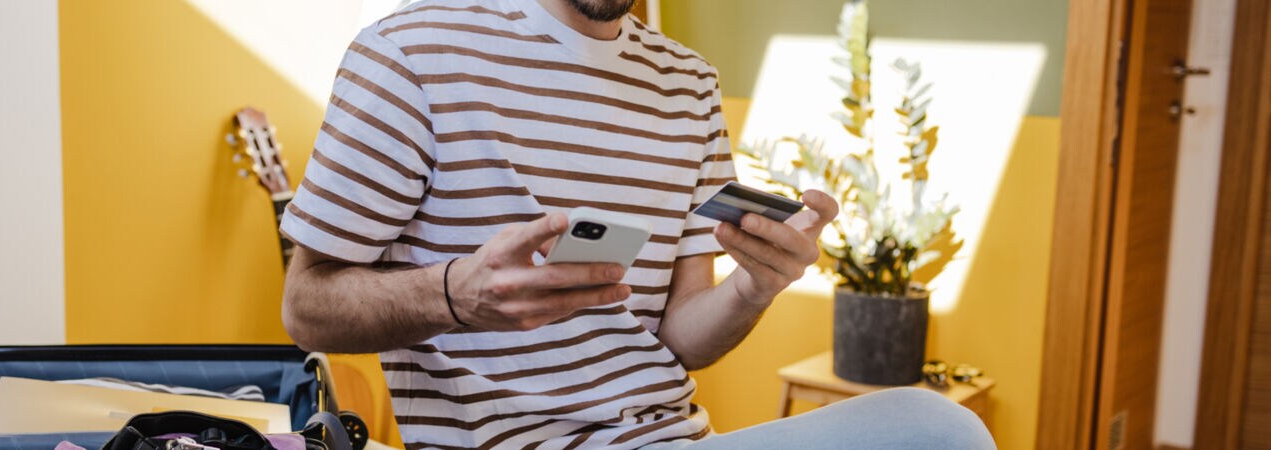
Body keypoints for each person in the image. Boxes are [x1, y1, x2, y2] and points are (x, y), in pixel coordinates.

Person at [280, 0, 995, 448]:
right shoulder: (410, 53)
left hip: (675, 438)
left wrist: (753, 287)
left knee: (935, 426)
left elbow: (680, 338)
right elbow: (306, 307)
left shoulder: (689, 84)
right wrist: (453, 295)